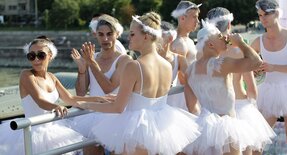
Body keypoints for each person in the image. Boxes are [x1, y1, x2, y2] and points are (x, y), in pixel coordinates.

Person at [69, 12, 200, 155]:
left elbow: (118, 108)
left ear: (146, 36)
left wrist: (84, 104)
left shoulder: (134, 66)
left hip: (137, 131)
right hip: (160, 129)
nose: (128, 38)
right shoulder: (167, 65)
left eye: (132, 34)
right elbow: (146, 97)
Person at [0, 36, 107, 155]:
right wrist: (55, 107)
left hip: (53, 127)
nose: (36, 60)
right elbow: (39, 100)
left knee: (91, 147)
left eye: (41, 55)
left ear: (50, 56)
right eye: (31, 56)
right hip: (33, 132)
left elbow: (70, 99)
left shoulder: (52, 77)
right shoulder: (26, 75)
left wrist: (100, 98)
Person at [184, 20, 263, 155]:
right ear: (210, 44)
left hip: (204, 128)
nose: (225, 38)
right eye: (220, 37)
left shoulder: (190, 70)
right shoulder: (220, 64)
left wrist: (204, 123)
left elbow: (191, 106)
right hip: (227, 127)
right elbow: (256, 62)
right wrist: (241, 43)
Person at [206, 7, 276, 154]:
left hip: (215, 112)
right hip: (241, 108)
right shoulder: (238, 52)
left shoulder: (205, 53)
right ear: (229, 25)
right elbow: (252, 90)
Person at [251, 0, 287, 154]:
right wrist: (255, 70)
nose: (263, 19)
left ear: (276, 13)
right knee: (260, 138)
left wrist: (273, 67)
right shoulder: (258, 41)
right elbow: (247, 64)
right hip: (268, 91)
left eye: (266, 15)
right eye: (260, 15)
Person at [71, 14, 132, 154]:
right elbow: (80, 93)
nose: (105, 39)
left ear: (117, 34)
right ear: (96, 35)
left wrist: (91, 63)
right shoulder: (91, 58)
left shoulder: (125, 59)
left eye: (109, 34)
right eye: (101, 34)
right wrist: (81, 69)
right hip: (92, 115)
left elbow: (108, 88)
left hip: (116, 116)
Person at [159, 21, 189, 110]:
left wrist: (172, 90)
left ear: (170, 39)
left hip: (169, 106)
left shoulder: (179, 59)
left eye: (159, 36)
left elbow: (192, 82)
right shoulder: (147, 58)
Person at [171, 1, 200, 65]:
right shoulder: (175, 41)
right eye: (194, 17)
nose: (197, 21)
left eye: (197, 17)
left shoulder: (189, 41)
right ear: (182, 18)